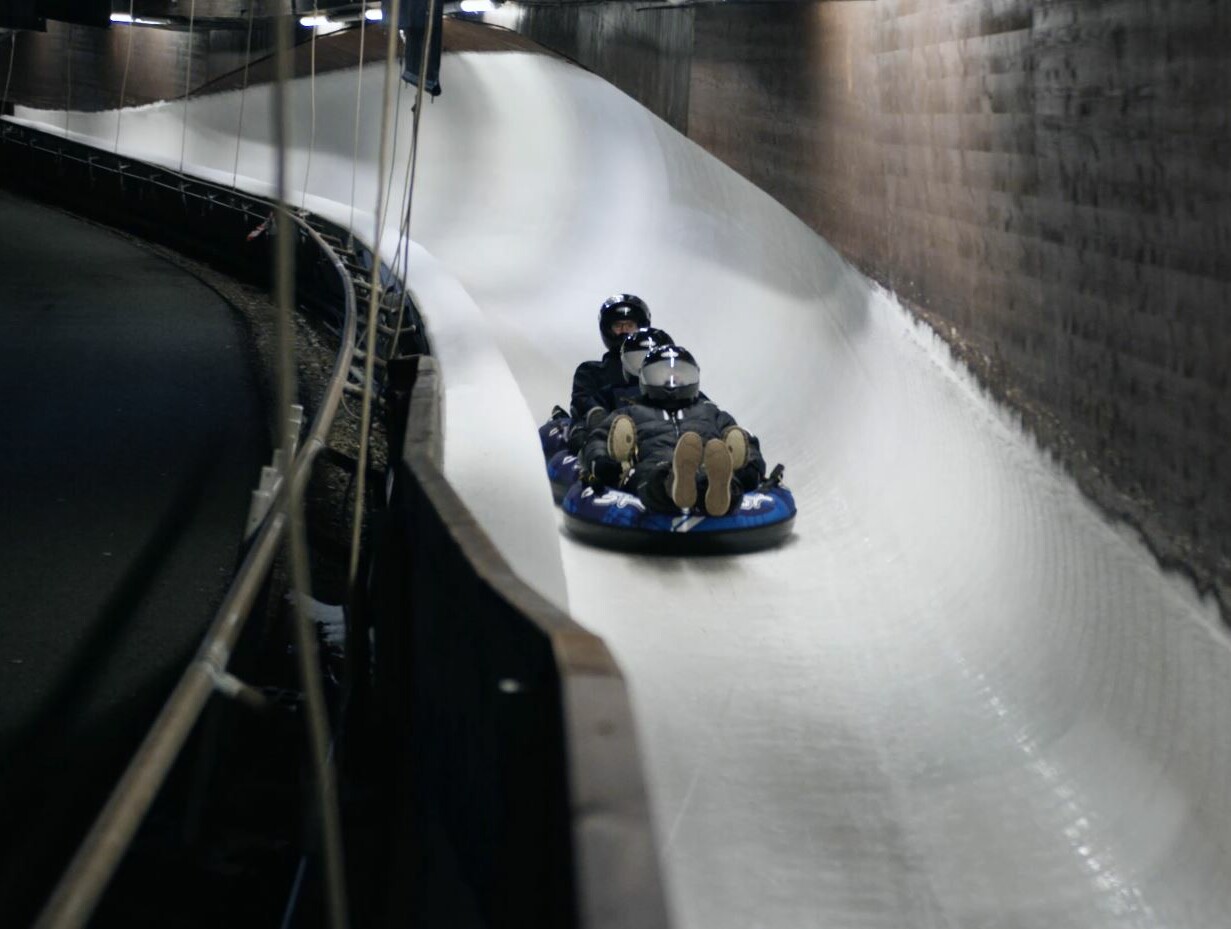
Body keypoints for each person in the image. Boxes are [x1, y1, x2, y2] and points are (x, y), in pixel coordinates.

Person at [581, 345, 766, 516]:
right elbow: (598, 439)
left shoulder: (709, 411)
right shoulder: (631, 412)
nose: (671, 382)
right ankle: (675, 484)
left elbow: (742, 439)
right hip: (654, 465)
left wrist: (750, 468)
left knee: (715, 476)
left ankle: (719, 493)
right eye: (662, 374)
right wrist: (604, 463)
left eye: (679, 375)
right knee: (655, 477)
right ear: (645, 378)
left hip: (705, 464)